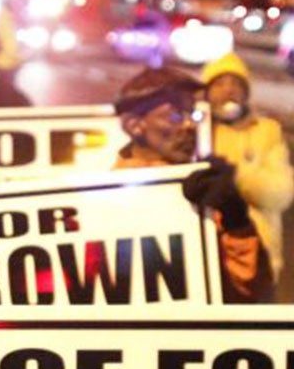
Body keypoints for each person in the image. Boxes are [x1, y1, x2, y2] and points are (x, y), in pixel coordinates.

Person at [113, 68, 273, 303]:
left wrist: (236, 220)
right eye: (175, 116)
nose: (190, 126)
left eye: (193, 115)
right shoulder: (105, 203)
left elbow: (249, 290)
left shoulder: (206, 192)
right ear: (135, 126)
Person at [200, 52, 294, 293]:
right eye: (220, 84)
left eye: (236, 84)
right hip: (205, 264)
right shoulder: (194, 134)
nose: (229, 90)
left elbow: (280, 193)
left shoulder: (267, 132)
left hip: (257, 262)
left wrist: (235, 174)